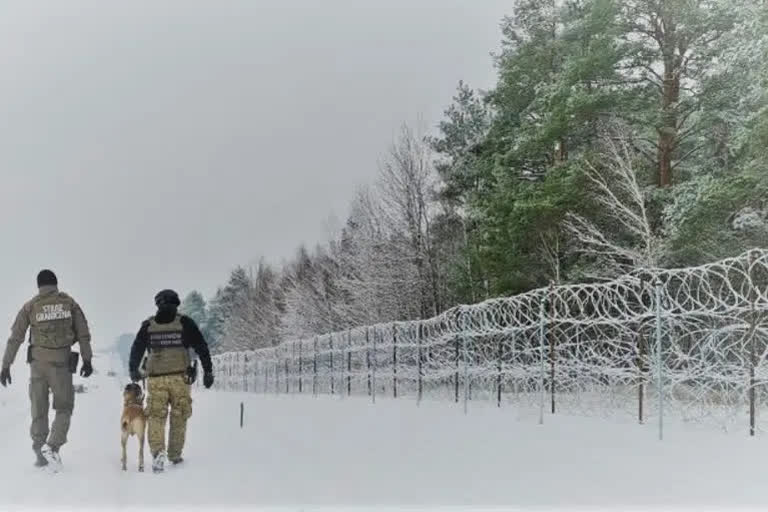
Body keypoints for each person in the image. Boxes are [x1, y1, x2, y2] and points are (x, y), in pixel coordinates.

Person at [0, 270, 93, 469]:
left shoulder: (30, 306)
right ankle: (52, 446)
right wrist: (87, 359)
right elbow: (83, 334)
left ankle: (40, 453)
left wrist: (5, 365)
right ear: (56, 284)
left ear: (39, 285)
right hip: (61, 364)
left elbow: (15, 337)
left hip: (37, 365)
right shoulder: (69, 303)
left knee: (38, 410)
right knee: (64, 407)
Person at [128, 289, 214, 473]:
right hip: (179, 379)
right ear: (177, 303)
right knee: (179, 416)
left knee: (156, 416)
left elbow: (137, 349)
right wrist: (208, 371)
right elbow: (201, 346)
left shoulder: (148, 326)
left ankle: (158, 453)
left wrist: (133, 370)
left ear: (157, 304)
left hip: (156, 379)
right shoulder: (185, 323)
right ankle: (175, 454)